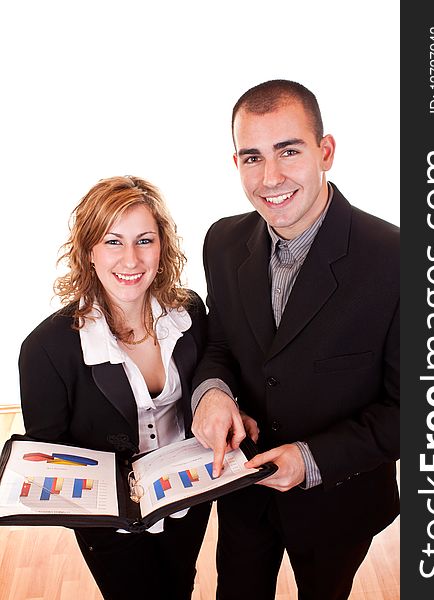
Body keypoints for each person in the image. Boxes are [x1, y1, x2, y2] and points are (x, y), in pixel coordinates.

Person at [191, 80, 399, 600]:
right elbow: (221, 343)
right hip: (242, 491)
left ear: (325, 152)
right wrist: (212, 391)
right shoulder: (221, 239)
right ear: (235, 162)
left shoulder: (398, 261)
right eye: (252, 157)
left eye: (289, 151)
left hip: (338, 499)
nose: (271, 177)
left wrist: (310, 458)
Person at [19, 176, 211, 600]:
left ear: (162, 247)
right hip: (109, 523)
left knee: (180, 586)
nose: (131, 259)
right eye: (112, 241)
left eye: (145, 240)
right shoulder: (46, 349)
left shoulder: (190, 311)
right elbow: (49, 459)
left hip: (189, 500)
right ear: (89, 251)